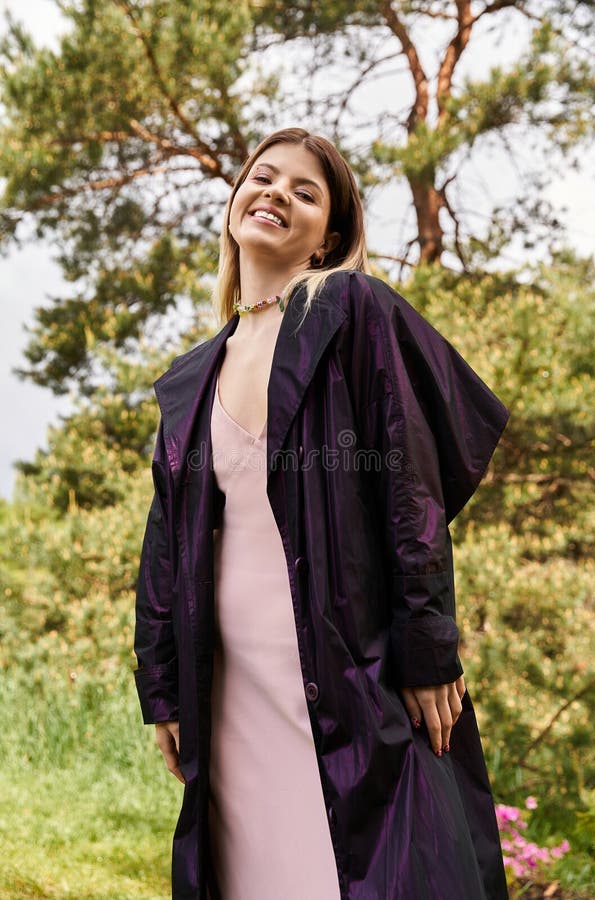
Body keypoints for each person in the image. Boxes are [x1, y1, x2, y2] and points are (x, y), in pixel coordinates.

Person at [133, 126, 511, 900]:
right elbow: (165, 549)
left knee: (370, 869)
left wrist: (428, 648)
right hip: (230, 689)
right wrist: (164, 692)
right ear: (237, 199)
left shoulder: (350, 314)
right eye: (263, 177)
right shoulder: (191, 377)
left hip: (346, 675)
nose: (276, 192)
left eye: (304, 192)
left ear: (327, 238)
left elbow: (411, 488)